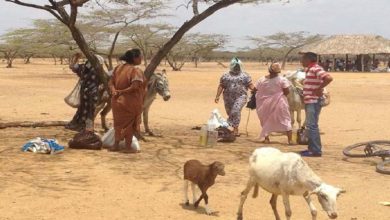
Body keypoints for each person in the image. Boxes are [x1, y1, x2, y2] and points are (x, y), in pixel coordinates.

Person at [109, 49, 146, 153]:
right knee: (130, 123)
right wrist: (121, 91)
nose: (141, 59)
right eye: (140, 57)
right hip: (129, 101)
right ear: (135, 58)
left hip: (116, 100)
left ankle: (115, 145)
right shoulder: (136, 71)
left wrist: (114, 91)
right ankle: (128, 147)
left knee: (118, 123)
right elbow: (135, 87)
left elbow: (110, 82)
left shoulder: (117, 68)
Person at [301, 52, 333, 157]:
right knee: (310, 125)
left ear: (308, 59)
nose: (301, 61)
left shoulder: (315, 68)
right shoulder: (310, 69)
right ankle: (312, 148)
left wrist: (319, 89)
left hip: (313, 101)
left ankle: (315, 150)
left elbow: (328, 78)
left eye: (303, 59)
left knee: (312, 126)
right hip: (310, 100)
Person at [215, 57, 255, 136]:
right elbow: (221, 86)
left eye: (238, 66)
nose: (236, 67)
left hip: (241, 97)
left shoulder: (245, 75)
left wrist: (256, 91)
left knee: (235, 111)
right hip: (228, 98)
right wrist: (217, 96)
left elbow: (250, 85)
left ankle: (232, 127)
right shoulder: (225, 75)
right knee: (230, 113)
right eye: (235, 66)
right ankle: (231, 128)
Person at [255, 62, 292, 144]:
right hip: (280, 103)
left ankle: (266, 139)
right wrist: (277, 96)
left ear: (269, 70)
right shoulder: (282, 79)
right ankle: (290, 140)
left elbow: (255, 89)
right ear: (278, 72)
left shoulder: (261, 79)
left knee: (265, 119)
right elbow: (287, 91)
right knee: (285, 118)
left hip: (263, 104)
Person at [66, 53, 104, 132]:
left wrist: (76, 57)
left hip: (84, 93)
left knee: (82, 109)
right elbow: (104, 81)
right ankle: (88, 128)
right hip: (93, 94)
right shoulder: (99, 71)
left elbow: (73, 66)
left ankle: (79, 125)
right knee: (90, 111)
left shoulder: (85, 68)